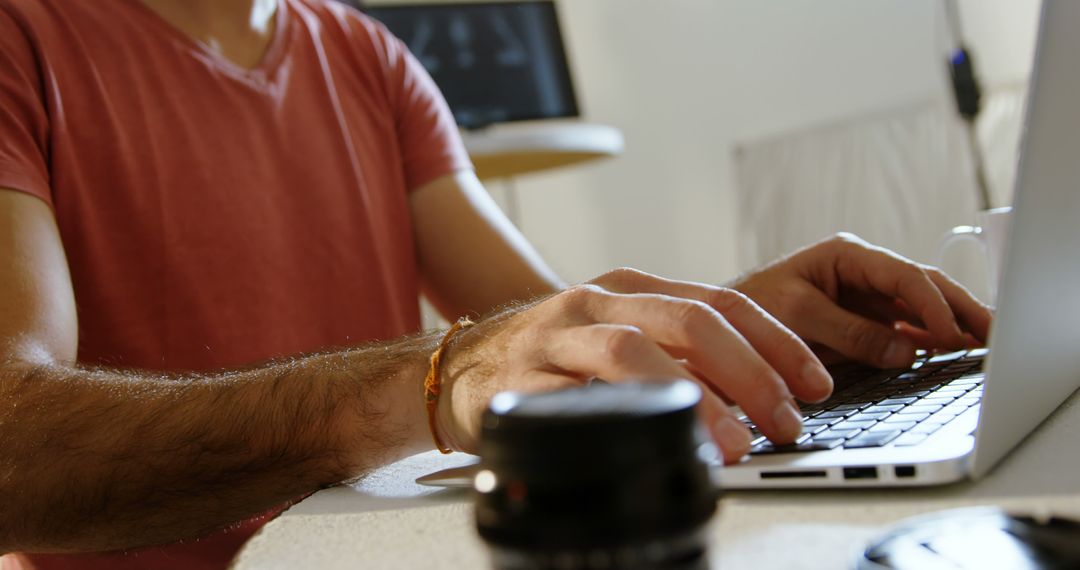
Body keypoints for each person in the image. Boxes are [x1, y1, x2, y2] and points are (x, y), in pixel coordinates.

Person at [0, 0, 992, 568]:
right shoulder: (23, 42)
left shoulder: (368, 58)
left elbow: (550, 332)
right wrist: (429, 381)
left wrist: (723, 322)